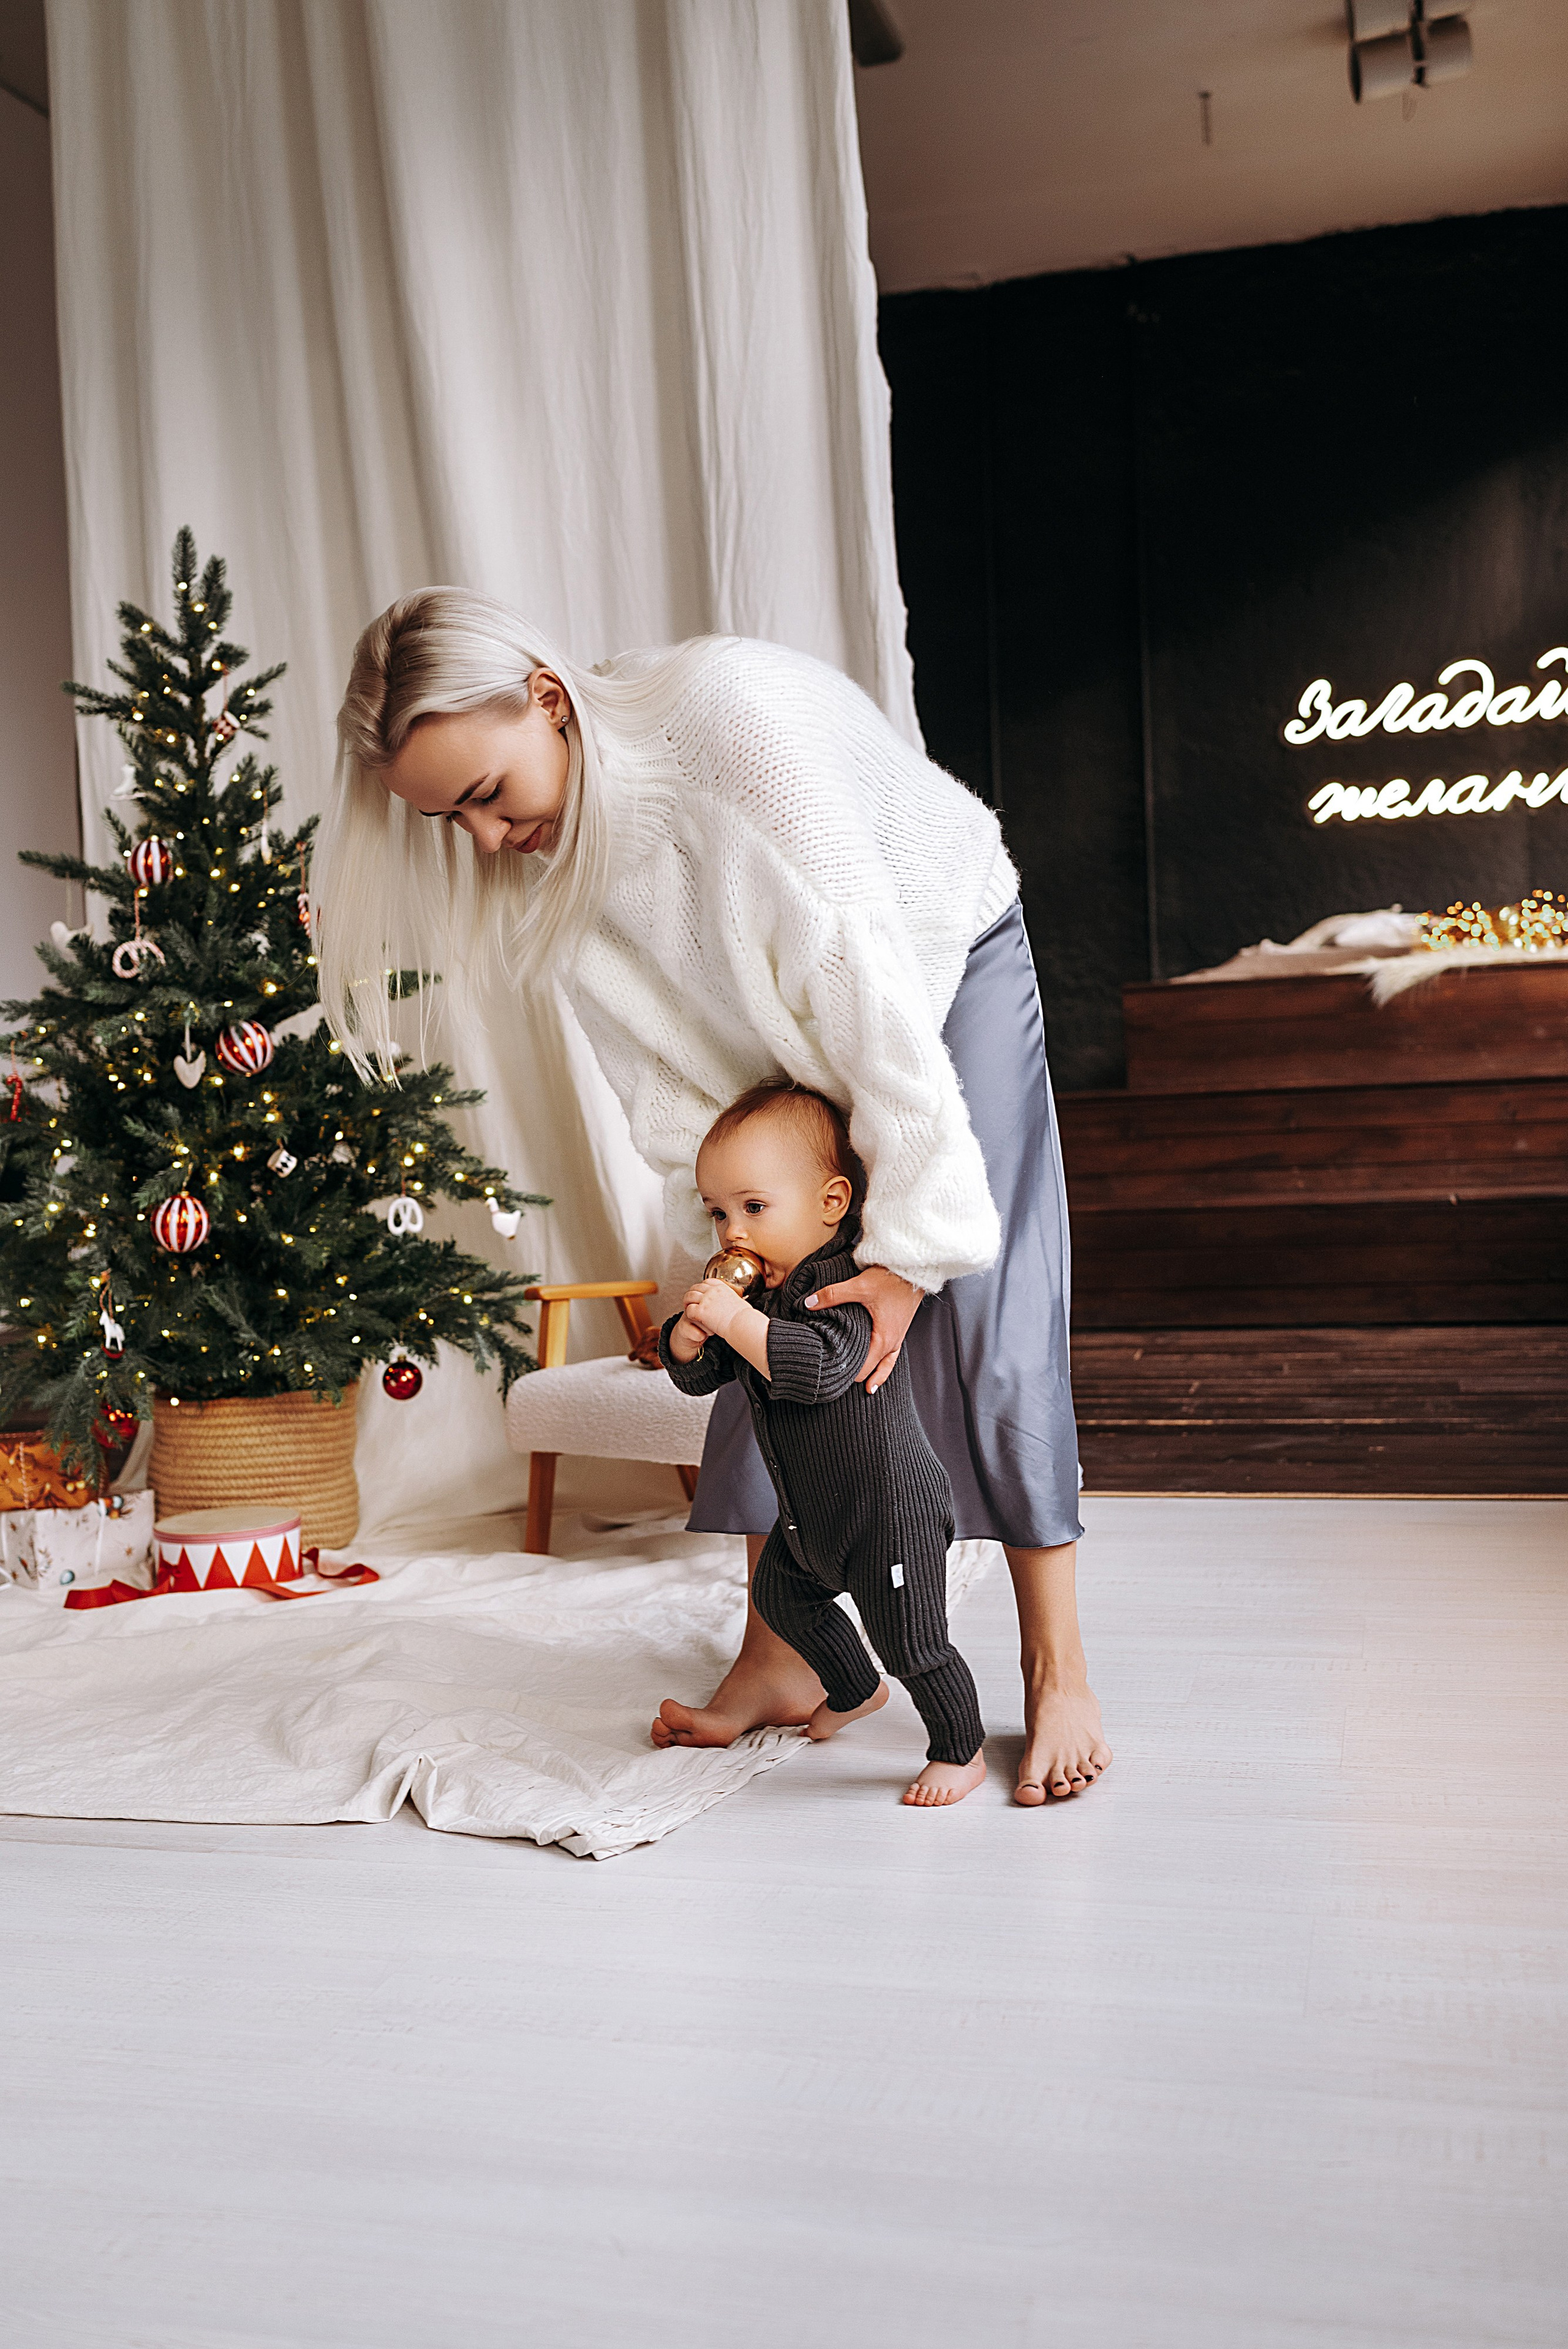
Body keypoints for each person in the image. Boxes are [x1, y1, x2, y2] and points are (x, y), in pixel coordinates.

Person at [317, 591, 1111, 1804]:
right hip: (788, 1034)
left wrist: (901, 1258)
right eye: (445, 822)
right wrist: (736, 1255)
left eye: (483, 792)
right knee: (766, 1318)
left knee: (988, 1323)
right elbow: (675, 1089)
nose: (480, 838)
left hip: (931, 967)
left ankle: (1055, 1669)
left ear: (546, 698)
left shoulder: (734, 724)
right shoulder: (547, 871)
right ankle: (776, 1656)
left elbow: (875, 1006)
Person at [661, 1081, 986, 1808]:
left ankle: (960, 1750)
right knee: (779, 1594)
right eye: (717, 1212)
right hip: (812, 1516)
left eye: (752, 1207)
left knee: (913, 1642)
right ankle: (853, 1687)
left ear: (830, 1203)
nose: (730, 1232)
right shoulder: (753, 1299)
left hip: (888, 1510)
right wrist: (688, 1339)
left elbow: (817, 1368)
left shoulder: (845, 1282)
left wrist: (737, 1322)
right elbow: (708, 1374)